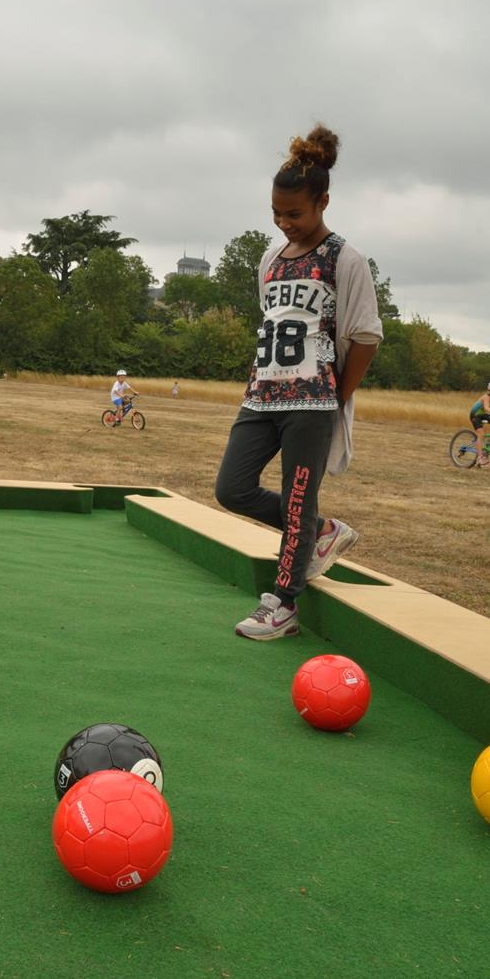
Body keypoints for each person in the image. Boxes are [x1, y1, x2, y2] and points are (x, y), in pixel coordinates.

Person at [214, 124, 383, 641]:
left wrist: (336, 397)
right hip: (262, 395)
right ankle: (321, 532)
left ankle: (283, 606)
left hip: (313, 400)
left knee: (296, 499)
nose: (284, 223)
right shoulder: (268, 260)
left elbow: (366, 336)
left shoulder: (343, 260)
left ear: (323, 202)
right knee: (232, 488)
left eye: (295, 213)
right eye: (276, 213)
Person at [469, 381, 490, 466]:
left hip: (484, 415)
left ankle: (489, 444)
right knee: (481, 434)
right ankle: (480, 457)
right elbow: (486, 409)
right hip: (475, 416)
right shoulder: (486, 397)